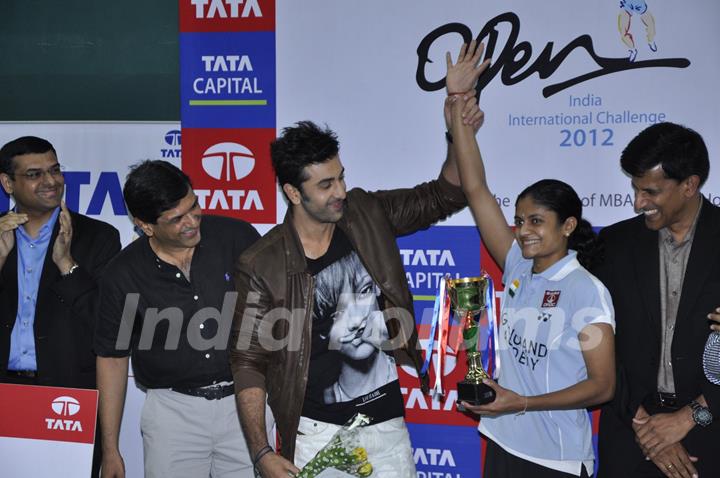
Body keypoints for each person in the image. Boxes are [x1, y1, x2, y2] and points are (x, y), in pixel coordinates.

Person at [228, 41, 486, 478]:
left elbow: (448, 193)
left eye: (342, 176)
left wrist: (456, 120)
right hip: (312, 434)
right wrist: (261, 452)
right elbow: (248, 362)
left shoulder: (366, 212)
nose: (341, 191)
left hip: (384, 428)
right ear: (294, 193)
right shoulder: (261, 264)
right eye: (326, 185)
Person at [448, 89, 616, 477]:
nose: (523, 231)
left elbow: (602, 386)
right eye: (520, 221)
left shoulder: (585, 290)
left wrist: (521, 401)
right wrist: (458, 111)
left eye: (536, 221)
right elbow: (475, 190)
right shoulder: (519, 267)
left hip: (553, 459)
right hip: (504, 442)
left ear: (567, 226)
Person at [94, 160, 261, 478]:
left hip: (245, 403)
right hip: (172, 413)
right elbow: (113, 359)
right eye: (176, 219)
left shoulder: (237, 238)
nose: (192, 222)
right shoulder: (123, 274)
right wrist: (111, 449)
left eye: (194, 206)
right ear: (145, 225)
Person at [596, 122, 720, 478]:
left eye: (650, 192)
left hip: (710, 439)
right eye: (635, 190)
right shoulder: (614, 246)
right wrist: (644, 425)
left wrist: (690, 416)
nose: (638, 203)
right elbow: (592, 340)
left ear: (689, 185)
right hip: (629, 436)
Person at [0, 136, 120, 478]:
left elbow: (108, 326)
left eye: (54, 170)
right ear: (8, 183)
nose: (51, 181)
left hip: (67, 400)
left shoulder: (98, 237)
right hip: (3, 394)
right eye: (35, 174)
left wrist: (67, 265)